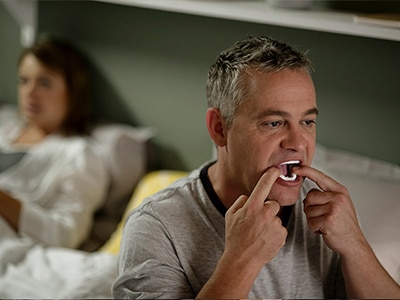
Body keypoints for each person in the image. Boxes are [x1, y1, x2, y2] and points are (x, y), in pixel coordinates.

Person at [113, 36, 400, 298]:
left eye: (307, 122)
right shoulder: (155, 227)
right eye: (274, 123)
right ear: (219, 128)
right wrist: (242, 260)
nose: (298, 143)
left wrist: (355, 246)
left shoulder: (322, 211)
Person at [0, 37, 108, 272]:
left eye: (45, 83)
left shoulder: (79, 154)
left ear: (73, 91)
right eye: (24, 81)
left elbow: (65, 235)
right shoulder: (4, 125)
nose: (30, 93)